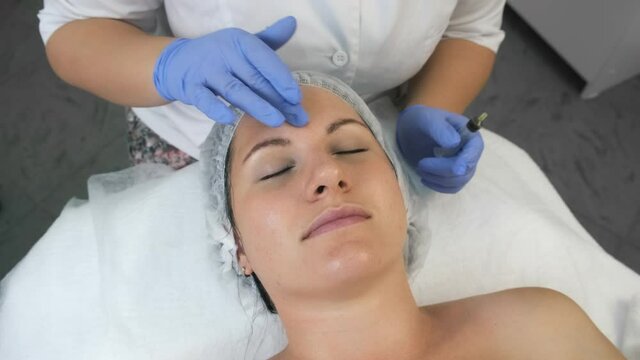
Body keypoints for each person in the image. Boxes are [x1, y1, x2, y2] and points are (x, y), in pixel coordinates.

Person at [200, 72, 624, 359]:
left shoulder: (536, 328)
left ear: (401, 197)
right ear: (237, 246)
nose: (329, 173)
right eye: (276, 169)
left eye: (350, 148)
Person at [39, 1, 499, 193]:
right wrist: (172, 65)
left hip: (380, 139)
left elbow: (468, 26)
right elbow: (75, 27)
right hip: (196, 138)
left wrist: (431, 103)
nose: (326, 185)